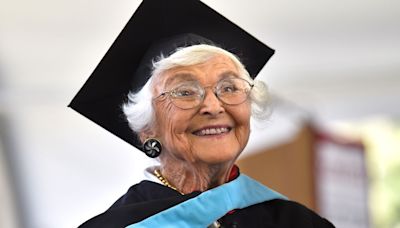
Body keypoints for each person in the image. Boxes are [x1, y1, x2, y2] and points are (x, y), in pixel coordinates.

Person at [70, 0, 335, 227]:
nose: (214, 106)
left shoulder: (295, 222)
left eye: (229, 87)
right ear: (147, 128)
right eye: (185, 91)